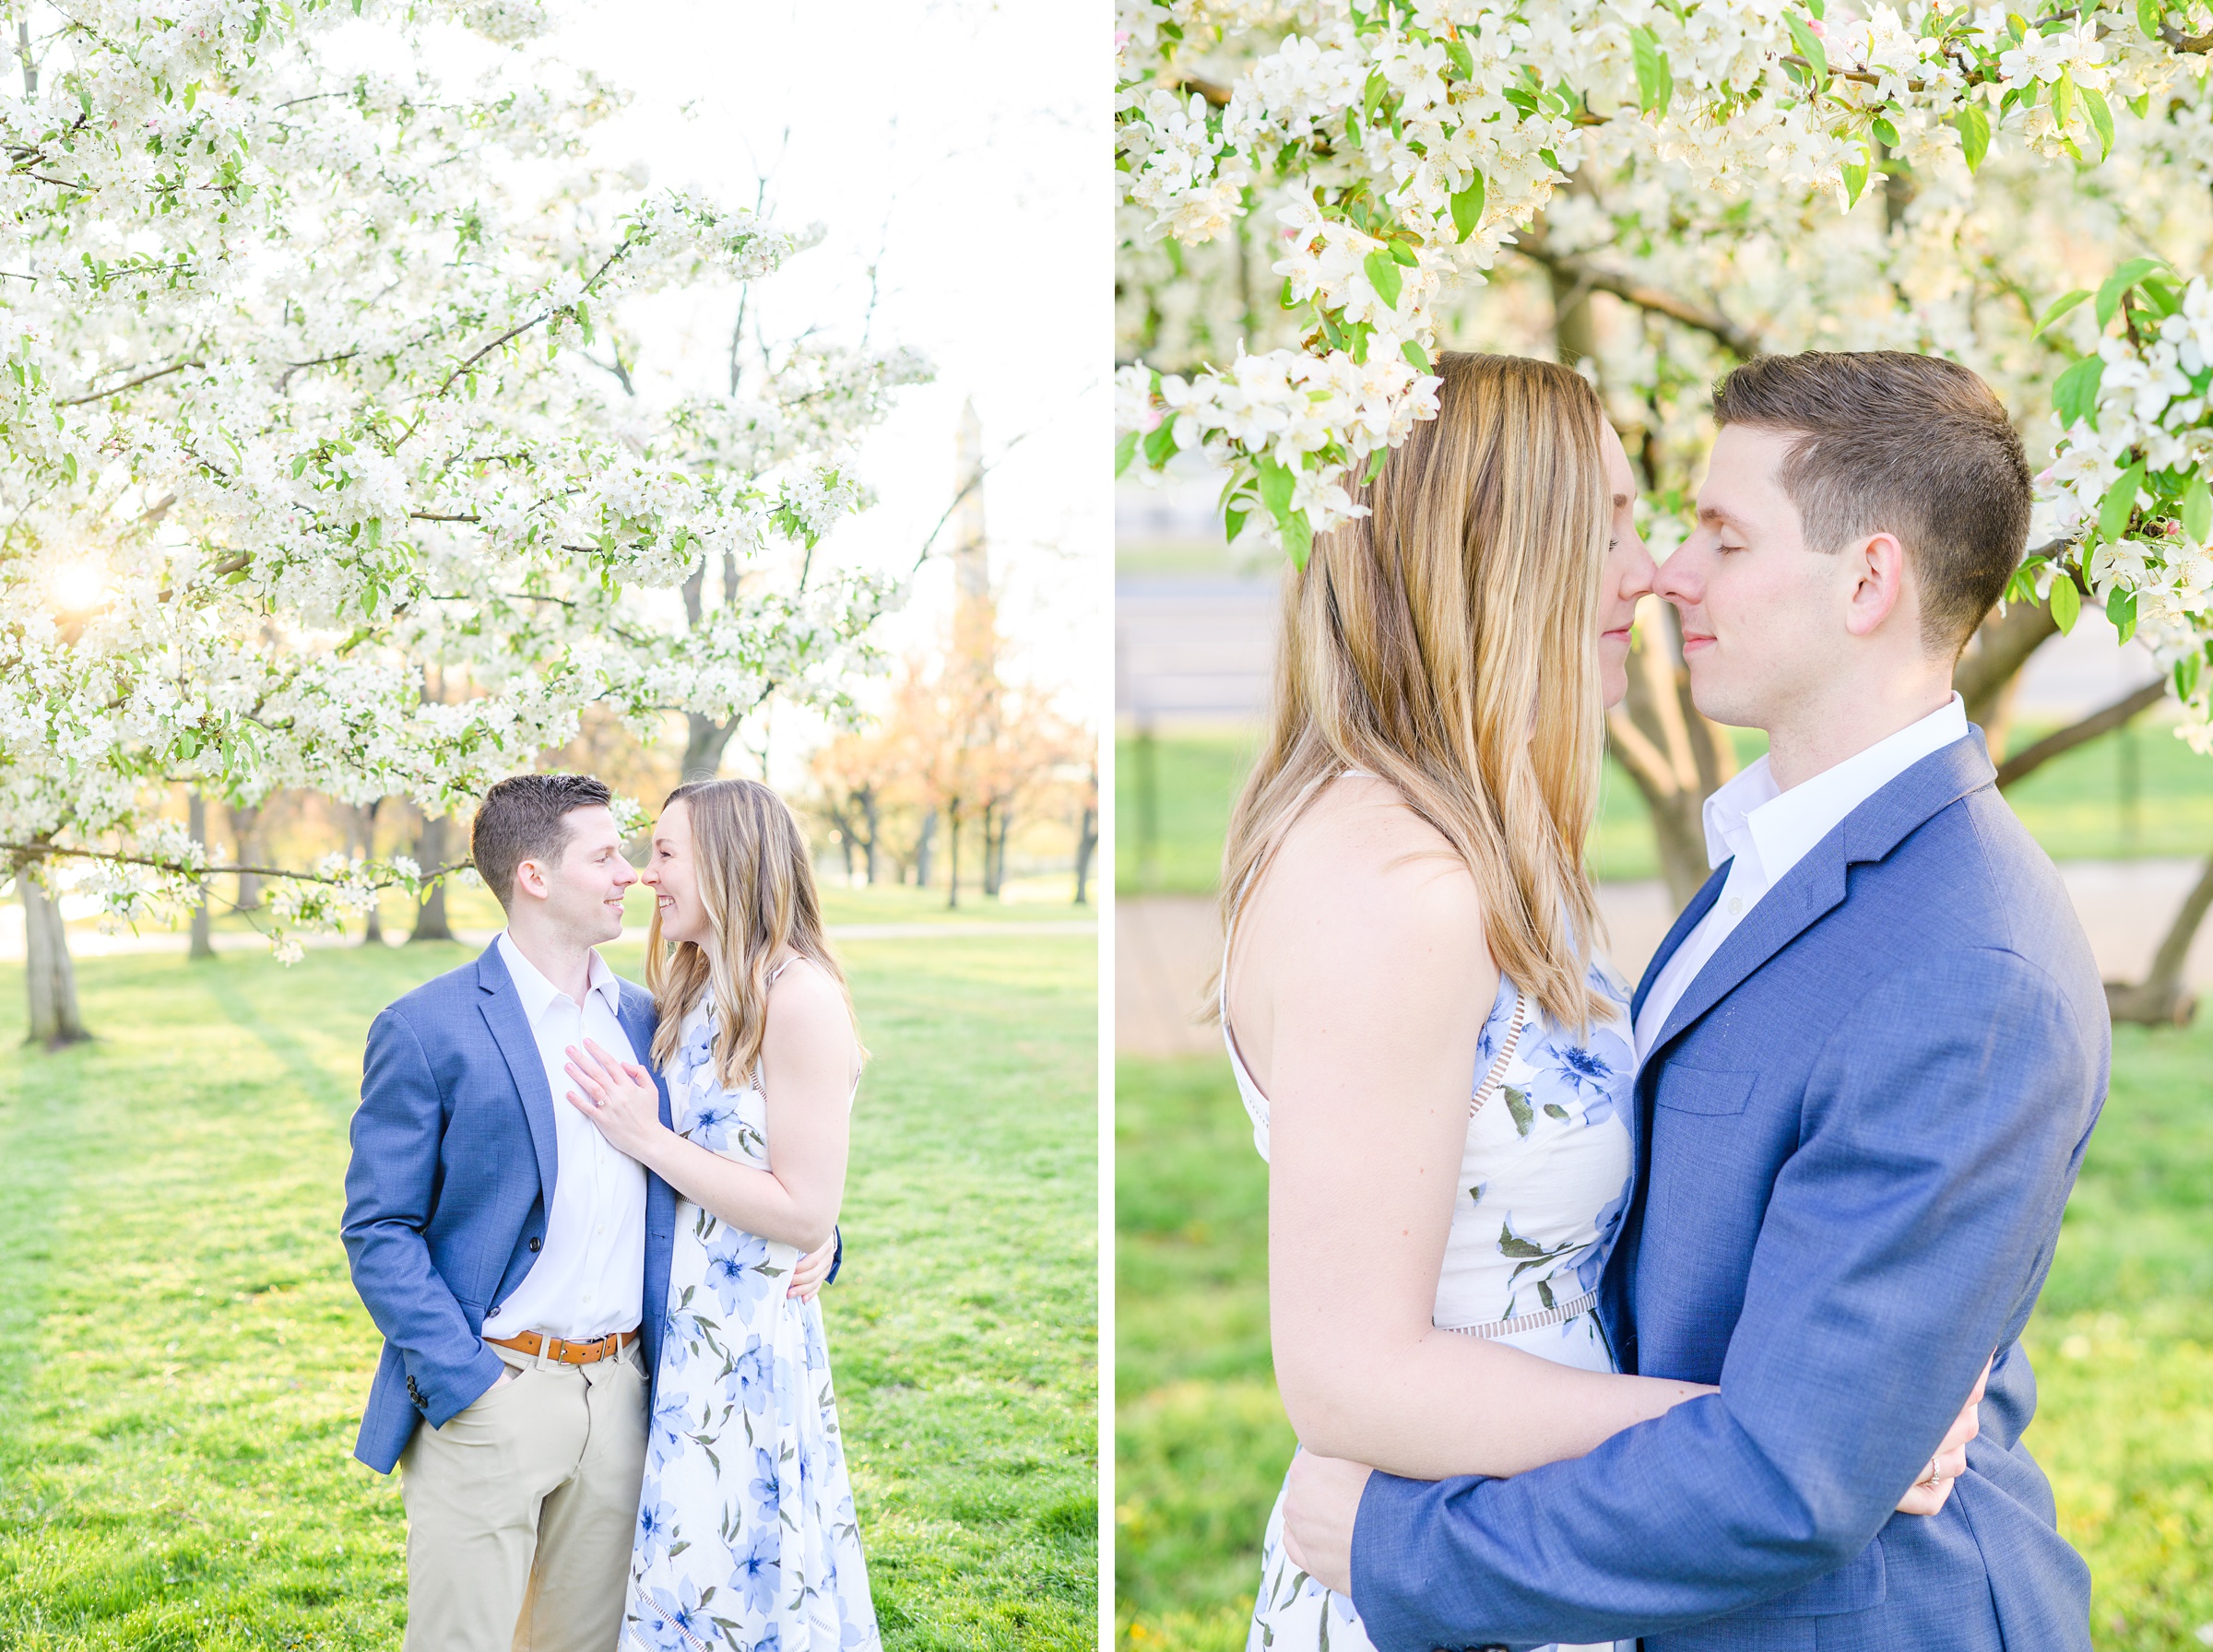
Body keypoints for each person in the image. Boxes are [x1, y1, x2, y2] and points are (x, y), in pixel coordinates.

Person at [1278, 351, 2106, 1651]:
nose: (1666, 571)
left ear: (1870, 581)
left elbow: (1795, 1478)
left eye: (1720, 535)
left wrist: (1400, 1546)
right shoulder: (1763, 858)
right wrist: (1831, 1425)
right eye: (1629, 529)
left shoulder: (1969, 968)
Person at [341, 772, 834, 1652]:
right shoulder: (428, 1028)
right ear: (535, 876)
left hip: (627, 1400)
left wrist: (819, 1235)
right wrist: (467, 1385)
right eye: (607, 855)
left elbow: (740, 1162)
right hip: (492, 1393)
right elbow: (378, 1231)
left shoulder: (658, 1021)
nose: (633, 875)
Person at [557, 778, 881, 1652]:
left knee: (737, 1577)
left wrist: (648, 1139)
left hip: (745, 1353)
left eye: (664, 854)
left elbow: (805, 1203)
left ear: (731, 861)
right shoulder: (694, 988)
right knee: (680, 1585)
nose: (644, 876)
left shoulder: (798, 995)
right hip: (678, 1336)